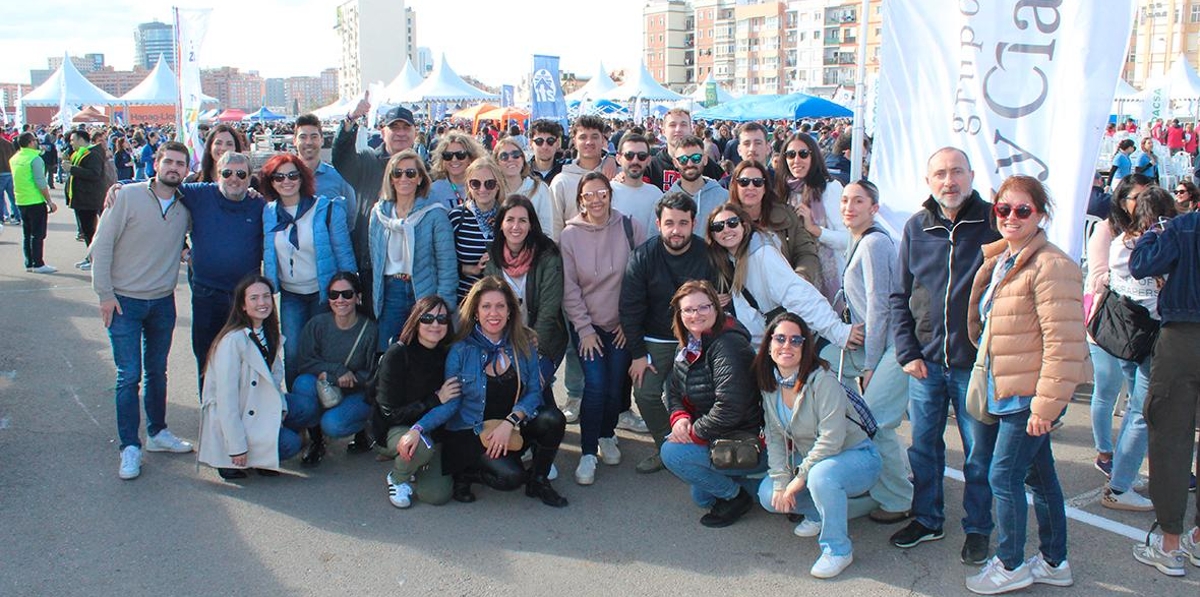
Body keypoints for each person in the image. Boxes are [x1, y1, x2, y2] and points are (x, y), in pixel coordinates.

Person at [963, 175, 1088, 594]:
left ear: (1041, 214)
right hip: (1008, 389)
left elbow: (1064, 344)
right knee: (1040, 478)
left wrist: (1044, 408)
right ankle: (1054, 561)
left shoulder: (1052, 265)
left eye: (1022, 210)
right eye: (1003, 209)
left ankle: (1011, 564)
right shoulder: (1005, 258)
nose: (1011, 217)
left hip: (1027, 396)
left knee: (1004, 477)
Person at [890, 147, 1000, 565]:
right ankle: (928, 518)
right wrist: (907, 352)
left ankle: (977, 528)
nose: (949, 181)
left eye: (956, 172)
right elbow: (899, 295)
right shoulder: (916, 227)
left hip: (975, 365)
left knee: (977, 454)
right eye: (940, 173)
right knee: (924, 449)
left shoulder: (993, 223)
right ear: (928, 180)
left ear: (971, 175)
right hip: (926, 364)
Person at [397, 276, 569, 508]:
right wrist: (418, 429)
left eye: (500, 306)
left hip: (507, 427)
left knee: (553, 418)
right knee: (511, 478)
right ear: (476, 312)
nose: (493, 313)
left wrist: (510, 422)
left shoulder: (523, 344)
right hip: (471, 432)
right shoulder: (461, 350)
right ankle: (466, 473)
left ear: (510, 311)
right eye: (486, 306)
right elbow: (451, 404)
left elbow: (534, 393)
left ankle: (538, 482)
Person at [90, 141, 195, 480]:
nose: (174, 168)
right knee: (128, 375)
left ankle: (158, 433)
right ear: (156, 164)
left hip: (163, 301)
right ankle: (129, 447)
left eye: (181, 164)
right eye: (169, 162)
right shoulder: (125, 196)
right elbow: (101, 247)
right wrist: (105, 294)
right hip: (124, 301)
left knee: (157, 371)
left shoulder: (186, 205)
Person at [752, 312, 881, 579]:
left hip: (856, 456)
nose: (787, 346)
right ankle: (822, 513)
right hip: (816, 460)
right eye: (780, 339)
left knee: (821, 476)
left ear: (805, 346)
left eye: (795, 340)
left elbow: (831, 440)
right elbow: (775, 438)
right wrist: (780, 482)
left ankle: (838, 549)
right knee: (768, 495)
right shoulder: (770, 384)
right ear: (769, 345)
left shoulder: (822, 379)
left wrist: (797, 480)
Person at [823, 180, 913, 523]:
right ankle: (870, 472)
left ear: (874, 208)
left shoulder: (875, 243)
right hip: (871, 340)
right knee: (823, 369)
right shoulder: (856, 240)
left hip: (892, 346)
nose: (848, 206)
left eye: (858, 201)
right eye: (845, 200)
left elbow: (880, 306)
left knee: (876, 418)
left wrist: (872, 363)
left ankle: (898, 497)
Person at [1091, 186, 1176, 513]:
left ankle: (1118, 473)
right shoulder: (1152, 246)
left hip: (1123, 334)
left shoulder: (1120, 242)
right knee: (1140, 413)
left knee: (1131, 409)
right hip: (1150, 337)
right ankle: (1120, 485)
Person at [1129, 188, 1200, 578]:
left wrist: (1153, 230)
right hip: (1182, 331)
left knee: (1171, 439)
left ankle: (1171, 542)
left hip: (1184, 336)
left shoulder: (1184, 226)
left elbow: (1141, 264)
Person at [561, 173, 647, 485]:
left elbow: (639, 280)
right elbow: (570, 289)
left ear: (610, 195)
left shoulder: (629, 227)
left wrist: (629, 322)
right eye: (588, 195)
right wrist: (584, 329)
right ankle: (587, 452)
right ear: (580, 200)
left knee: (614, 388)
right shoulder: (569, 236)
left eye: (602, 193)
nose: (596, 200)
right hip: (588, 325)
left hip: (622, 324)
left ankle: (607, 434)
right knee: (595, 385)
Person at [620, 192, 714, 474]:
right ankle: (667, 447)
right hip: (655, 339)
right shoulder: (643, 256)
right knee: (646, 392)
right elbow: (630, 308)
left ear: (693, 223)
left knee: (701, 395)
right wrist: (637, 354)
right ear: (659, 223)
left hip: (697, 337)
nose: (676, 230)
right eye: (669, 222)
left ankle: (700, 447)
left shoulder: (707, 255)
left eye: (683, 223)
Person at [661, 280, 763, 528]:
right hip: (716, 432)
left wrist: (693, 434)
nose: (696, 315)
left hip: (742, 436)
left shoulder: (728, 345)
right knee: (701, 496)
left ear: (716, 308)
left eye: (703, 307)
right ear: (680, 314)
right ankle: (751, 483)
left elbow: (730, 408)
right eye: (688, 310)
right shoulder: (690, 343)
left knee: (673, 454)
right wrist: (680, 418)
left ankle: (738, 497)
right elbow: (672, 388)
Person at [198, 275, 319, 480]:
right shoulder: (231, 342)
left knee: (307, 407)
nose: (262, 303)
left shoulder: (268, 332)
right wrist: (237, 446)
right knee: (290, 444)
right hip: (240, 414)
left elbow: (273, 382)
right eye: (254, 298)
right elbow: (226, 401)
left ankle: (263, 452)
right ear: (242, 306)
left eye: (266, 297)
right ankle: (237, 458)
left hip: (259, 406)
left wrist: (278, 410)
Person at [260, 153, 357, 387]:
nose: (286, 181)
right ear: (271, 182)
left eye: (293, 175)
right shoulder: (269, 212)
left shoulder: (325, 208)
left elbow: (343, 250)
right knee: (292, 351)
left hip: (322, 292)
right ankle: (297, 405)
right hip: (291, 294)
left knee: (321, 351)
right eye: (279, 177)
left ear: (302, 177)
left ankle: (322, 404)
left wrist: (354, 287)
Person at [706, 201, 858, 349]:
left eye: (732, 222)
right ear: (713, 234)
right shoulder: (731, 261)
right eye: (718, 226)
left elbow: (798, 295)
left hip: (790, 343)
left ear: (744, 225)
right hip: (770, 346)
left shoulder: (762, 254)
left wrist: (838, 332)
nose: (726, 229)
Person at [180, 152, 267, 394]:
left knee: (245, 360)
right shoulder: (200, 194)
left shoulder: (258, 204)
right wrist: (119, 186)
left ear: (250, 178)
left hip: (244, 299)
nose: (234, 179)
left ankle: (242, 419)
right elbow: (163, 186)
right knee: (207, 359)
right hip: (207, 294)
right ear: (218, 174)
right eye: (227, 173)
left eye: (241, 174)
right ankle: (211, 418)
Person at [482, 195, 567, 410]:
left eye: (522, 220)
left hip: (543, 340)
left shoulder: (548, 255)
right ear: (501, 224)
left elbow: (550, 308)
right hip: (505, 340)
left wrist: (532, 344)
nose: (516, 226)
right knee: (516, 389)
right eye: (510, 220)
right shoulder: (492, 257)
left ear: (531, 225)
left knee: (530, 383)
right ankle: (546, 428)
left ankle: (547, 430)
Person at [373, 296, 459, 508]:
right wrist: (435, 400)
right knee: (420, 446)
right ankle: (398, 477)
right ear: (415, 320)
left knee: (437, 496)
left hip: (433, 430)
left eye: (442, 318)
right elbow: (390, 413)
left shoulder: (448, 353)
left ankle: (416, 464)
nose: (435, 324)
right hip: (397, 428)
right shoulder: (398, 353)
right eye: (427, 318)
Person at [368, 149, 457, 352]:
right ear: (390, 179)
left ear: (419, 178)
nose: (403, 178)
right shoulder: (378, 215)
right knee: (389, 351)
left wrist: (443, 305)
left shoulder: (434, 214)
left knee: (423, 353)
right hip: (391, 291)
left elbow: (447, 265)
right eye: (397, 173)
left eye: (410, 173)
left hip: (425, 291)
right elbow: (376, 259)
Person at [334, 101, 418, 309]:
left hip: (411, 267)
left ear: (414, 133)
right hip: (373, 265)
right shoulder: (367, 162)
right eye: (394, 127)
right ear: (382, 132)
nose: (400, 133)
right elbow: (341, 157)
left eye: (406, 127)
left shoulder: (422, 168)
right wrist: (351, 119)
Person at [291, 273, 379, 466]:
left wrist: (353, 378)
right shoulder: (317, 325)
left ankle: (365, 430)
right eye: (334, 295)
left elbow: (375, 373)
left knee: (333, 424)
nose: (340, 300)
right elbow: (305, 363)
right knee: (302, 383)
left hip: (358, 392)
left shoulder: (370, 330)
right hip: (327, 387)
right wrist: (336, 372)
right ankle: (316, 440)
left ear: (358, 297)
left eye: (347, 294)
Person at [774, 131, 847, 304]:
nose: (796, 160)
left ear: (813, 156)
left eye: (803, 154)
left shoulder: (830, 188)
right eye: (790, 154)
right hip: (793, 275)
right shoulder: (782, 192)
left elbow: (848, 239)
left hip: (830, 279)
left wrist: (816, 230)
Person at [727, 159, 822, 285]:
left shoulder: (787, 215)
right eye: (744, 182)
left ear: (765, 188)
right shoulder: (724, 221)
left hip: (786, 292)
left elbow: (806, 252)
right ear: (735, 186)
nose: (751, 187)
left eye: (757, 182)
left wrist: (801, 276)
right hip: (743, 297)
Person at [449, 157, 510, 302]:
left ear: (498, 186)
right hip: (465, 301)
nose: (482, 189)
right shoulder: (457, 217)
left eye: (489, 184)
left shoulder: (508, 217)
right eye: (475, 183)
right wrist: (469, 269)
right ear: (468, 186)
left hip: (502, 302)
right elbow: (443, 262)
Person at [549, 115, 611, 240]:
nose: (589, 142)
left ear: (603, 141)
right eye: (583, 137)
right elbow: (554, 227)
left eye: (594, 137)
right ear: (575, 142)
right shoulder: (561, 182)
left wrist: (612, 158)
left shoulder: (614, 175)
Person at [293, 113, 357, 234]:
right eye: (303, 137)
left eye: (314, 137)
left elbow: (350, 218)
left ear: (322, 140)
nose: (308, 142)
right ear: (294, 141)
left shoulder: (339, 177)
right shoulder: (283, 179)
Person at [8, 132, 58, 273]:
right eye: (35, 140)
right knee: (38, 234)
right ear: (30, 142)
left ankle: (29, 262)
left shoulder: (15, 158)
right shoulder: (35, 159)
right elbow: (40, 182)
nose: (37, 142)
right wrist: (49, 201)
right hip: (35, 200)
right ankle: (38, 263)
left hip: (21, 199)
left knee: (27, 233)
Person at [644, 109, 725, 191]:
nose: (678, 129)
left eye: (683, 125)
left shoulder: (704, 163)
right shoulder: (651, 167)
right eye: (672, 125)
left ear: (691, 130)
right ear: (663, 131)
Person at [64, 129, 104, 271]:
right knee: (86, 230)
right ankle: (90, 257)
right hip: (80, 198)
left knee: (89, 230)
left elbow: (94, 174)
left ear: (81, 140)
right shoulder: (78, 153)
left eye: (73, 140)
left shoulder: (92, 154)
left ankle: (94, 259)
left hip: (89, 199)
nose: (71, 143)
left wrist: (72, 169)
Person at [493, 137, 553, 232]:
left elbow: (547, 230)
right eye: (504, 156)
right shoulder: (491, 191)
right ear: (497, 163)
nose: (510, 159)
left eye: (516, 155)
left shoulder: (540, 189)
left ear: (523, 159)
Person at [667, 135, 729, 227]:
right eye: (683, 160)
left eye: (696, 158)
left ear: (705, 160)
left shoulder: (725, 198)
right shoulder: (665, 202)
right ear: (675, 163)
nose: (689, 164)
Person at [610, 133, 664, 235]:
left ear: (648, 160)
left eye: (641, 156)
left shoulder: (656, 194)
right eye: (629, 155)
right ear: (618, 158)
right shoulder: (607, 192)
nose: (635, 161)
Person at [428, 131, 486, 210]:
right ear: (442, 160)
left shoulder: (483, 187)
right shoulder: (433, 191)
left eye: (460, 155)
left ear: (471, 158)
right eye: (448, 155)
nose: (454, 159)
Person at [527, 119, 567, 185]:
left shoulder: (566, 170)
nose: (545, 147)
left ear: (558, 143)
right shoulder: (522, 172)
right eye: (539, 141)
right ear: (531, 143)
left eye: (550, 141)